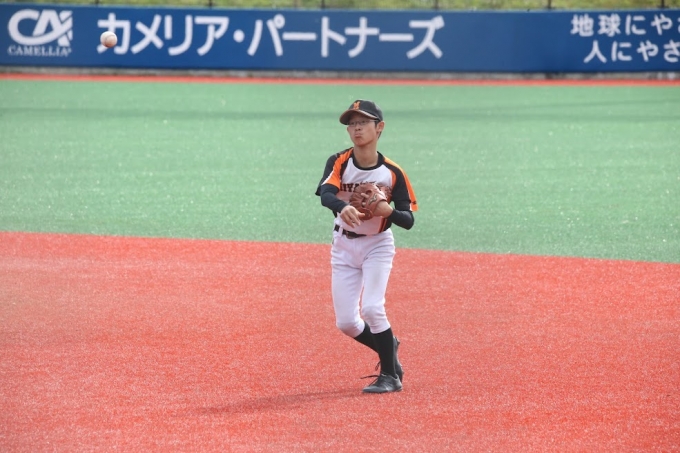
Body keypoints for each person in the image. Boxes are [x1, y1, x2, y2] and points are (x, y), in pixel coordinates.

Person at [315, 99, 418, 393]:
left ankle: (390, 376)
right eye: (352, 124)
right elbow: (325, 193)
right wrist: (341, 206)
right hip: (343, 246)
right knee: (347, 323)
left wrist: (388, 212)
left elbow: (408, 220)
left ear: (379, 127)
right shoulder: (340, 161)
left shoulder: (393, 172)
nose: (356, 128)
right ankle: (388, 345)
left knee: (372, 308)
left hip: (377, 246)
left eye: (363, 122)